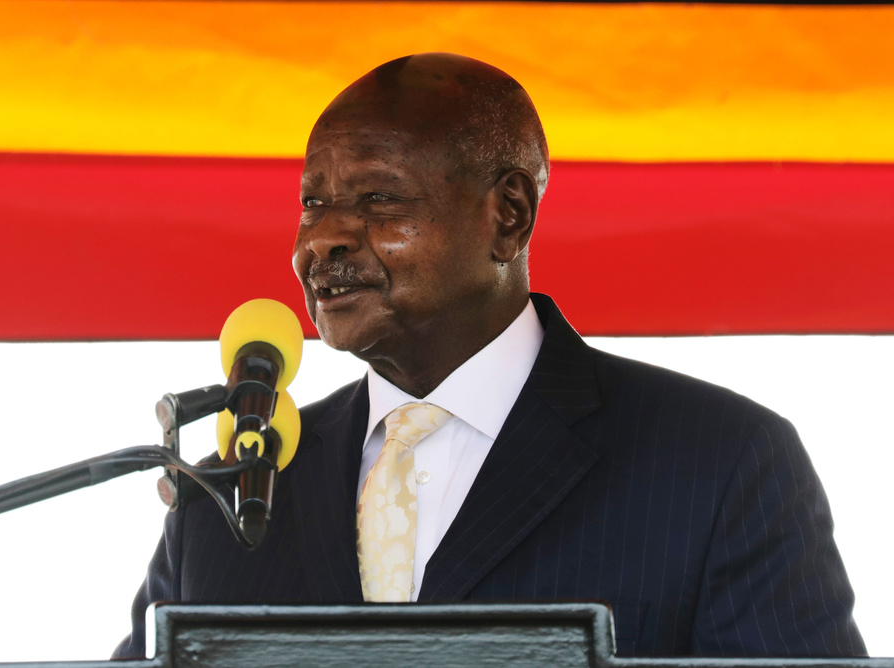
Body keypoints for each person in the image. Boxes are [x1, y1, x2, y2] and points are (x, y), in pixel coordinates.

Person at [114, 53, 865, 658]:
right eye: (313, 202)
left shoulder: (719, 462)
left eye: (378, 200)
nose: (321, 241)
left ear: (507, 216)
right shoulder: (227, 498)